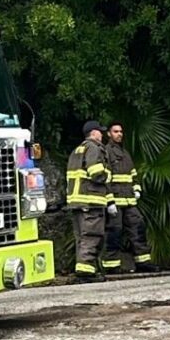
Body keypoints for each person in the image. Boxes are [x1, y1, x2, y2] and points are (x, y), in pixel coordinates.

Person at [102, 122, 161, 274]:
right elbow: (105, 179)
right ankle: (111, 265)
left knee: (138, 228)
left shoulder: (125, 153)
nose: (119, 134)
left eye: (121, 131)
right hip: (115, 200)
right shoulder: (106, 152)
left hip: (129, 200)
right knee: (114, 232)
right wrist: (109, 202)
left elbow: (133, 176)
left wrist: (137, 189)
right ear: (109, 134)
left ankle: (143, 261)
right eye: (115, 131)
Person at [66, 120, 115, 282]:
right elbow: (96, 173)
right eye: (100, 132)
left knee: (81, 236)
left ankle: (85, 268)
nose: (102, 134)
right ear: (94, 133)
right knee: (92, 235)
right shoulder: (94, 148)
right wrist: (108, 175)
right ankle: (86, 270)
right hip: (91, 200)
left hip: (76, 201)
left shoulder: (77, 149)